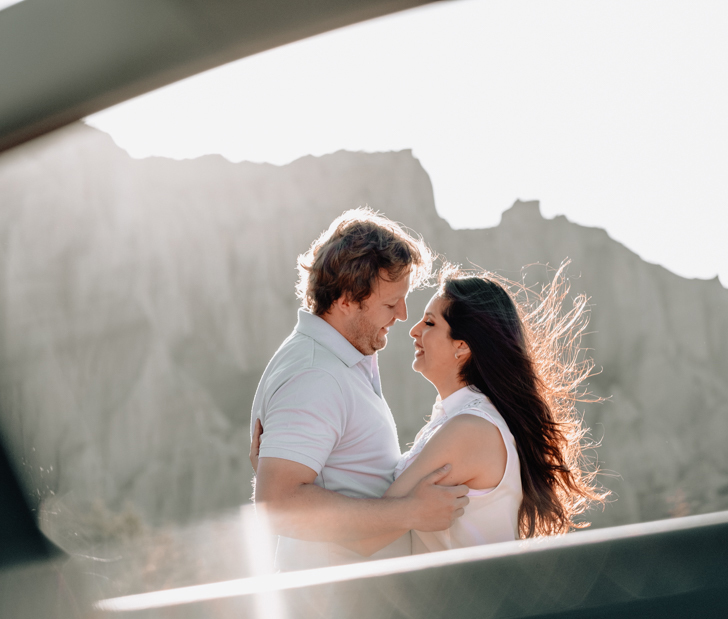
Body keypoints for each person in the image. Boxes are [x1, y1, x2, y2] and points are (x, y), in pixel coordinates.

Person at [253, 261, 606, 559]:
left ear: (462, 348)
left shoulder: (467, 431)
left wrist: (286, 480)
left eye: (431, 323)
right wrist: (286, 463)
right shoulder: (458, 420)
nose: (414, 330)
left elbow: (366, 539)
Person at [249, 208, 469, 571]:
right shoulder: (315, 373)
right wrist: (412, 512)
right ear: (347, 299)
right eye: (389, 302)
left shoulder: (337, 360)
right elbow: (277, 506)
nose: (402, 314)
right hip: (333, 615)